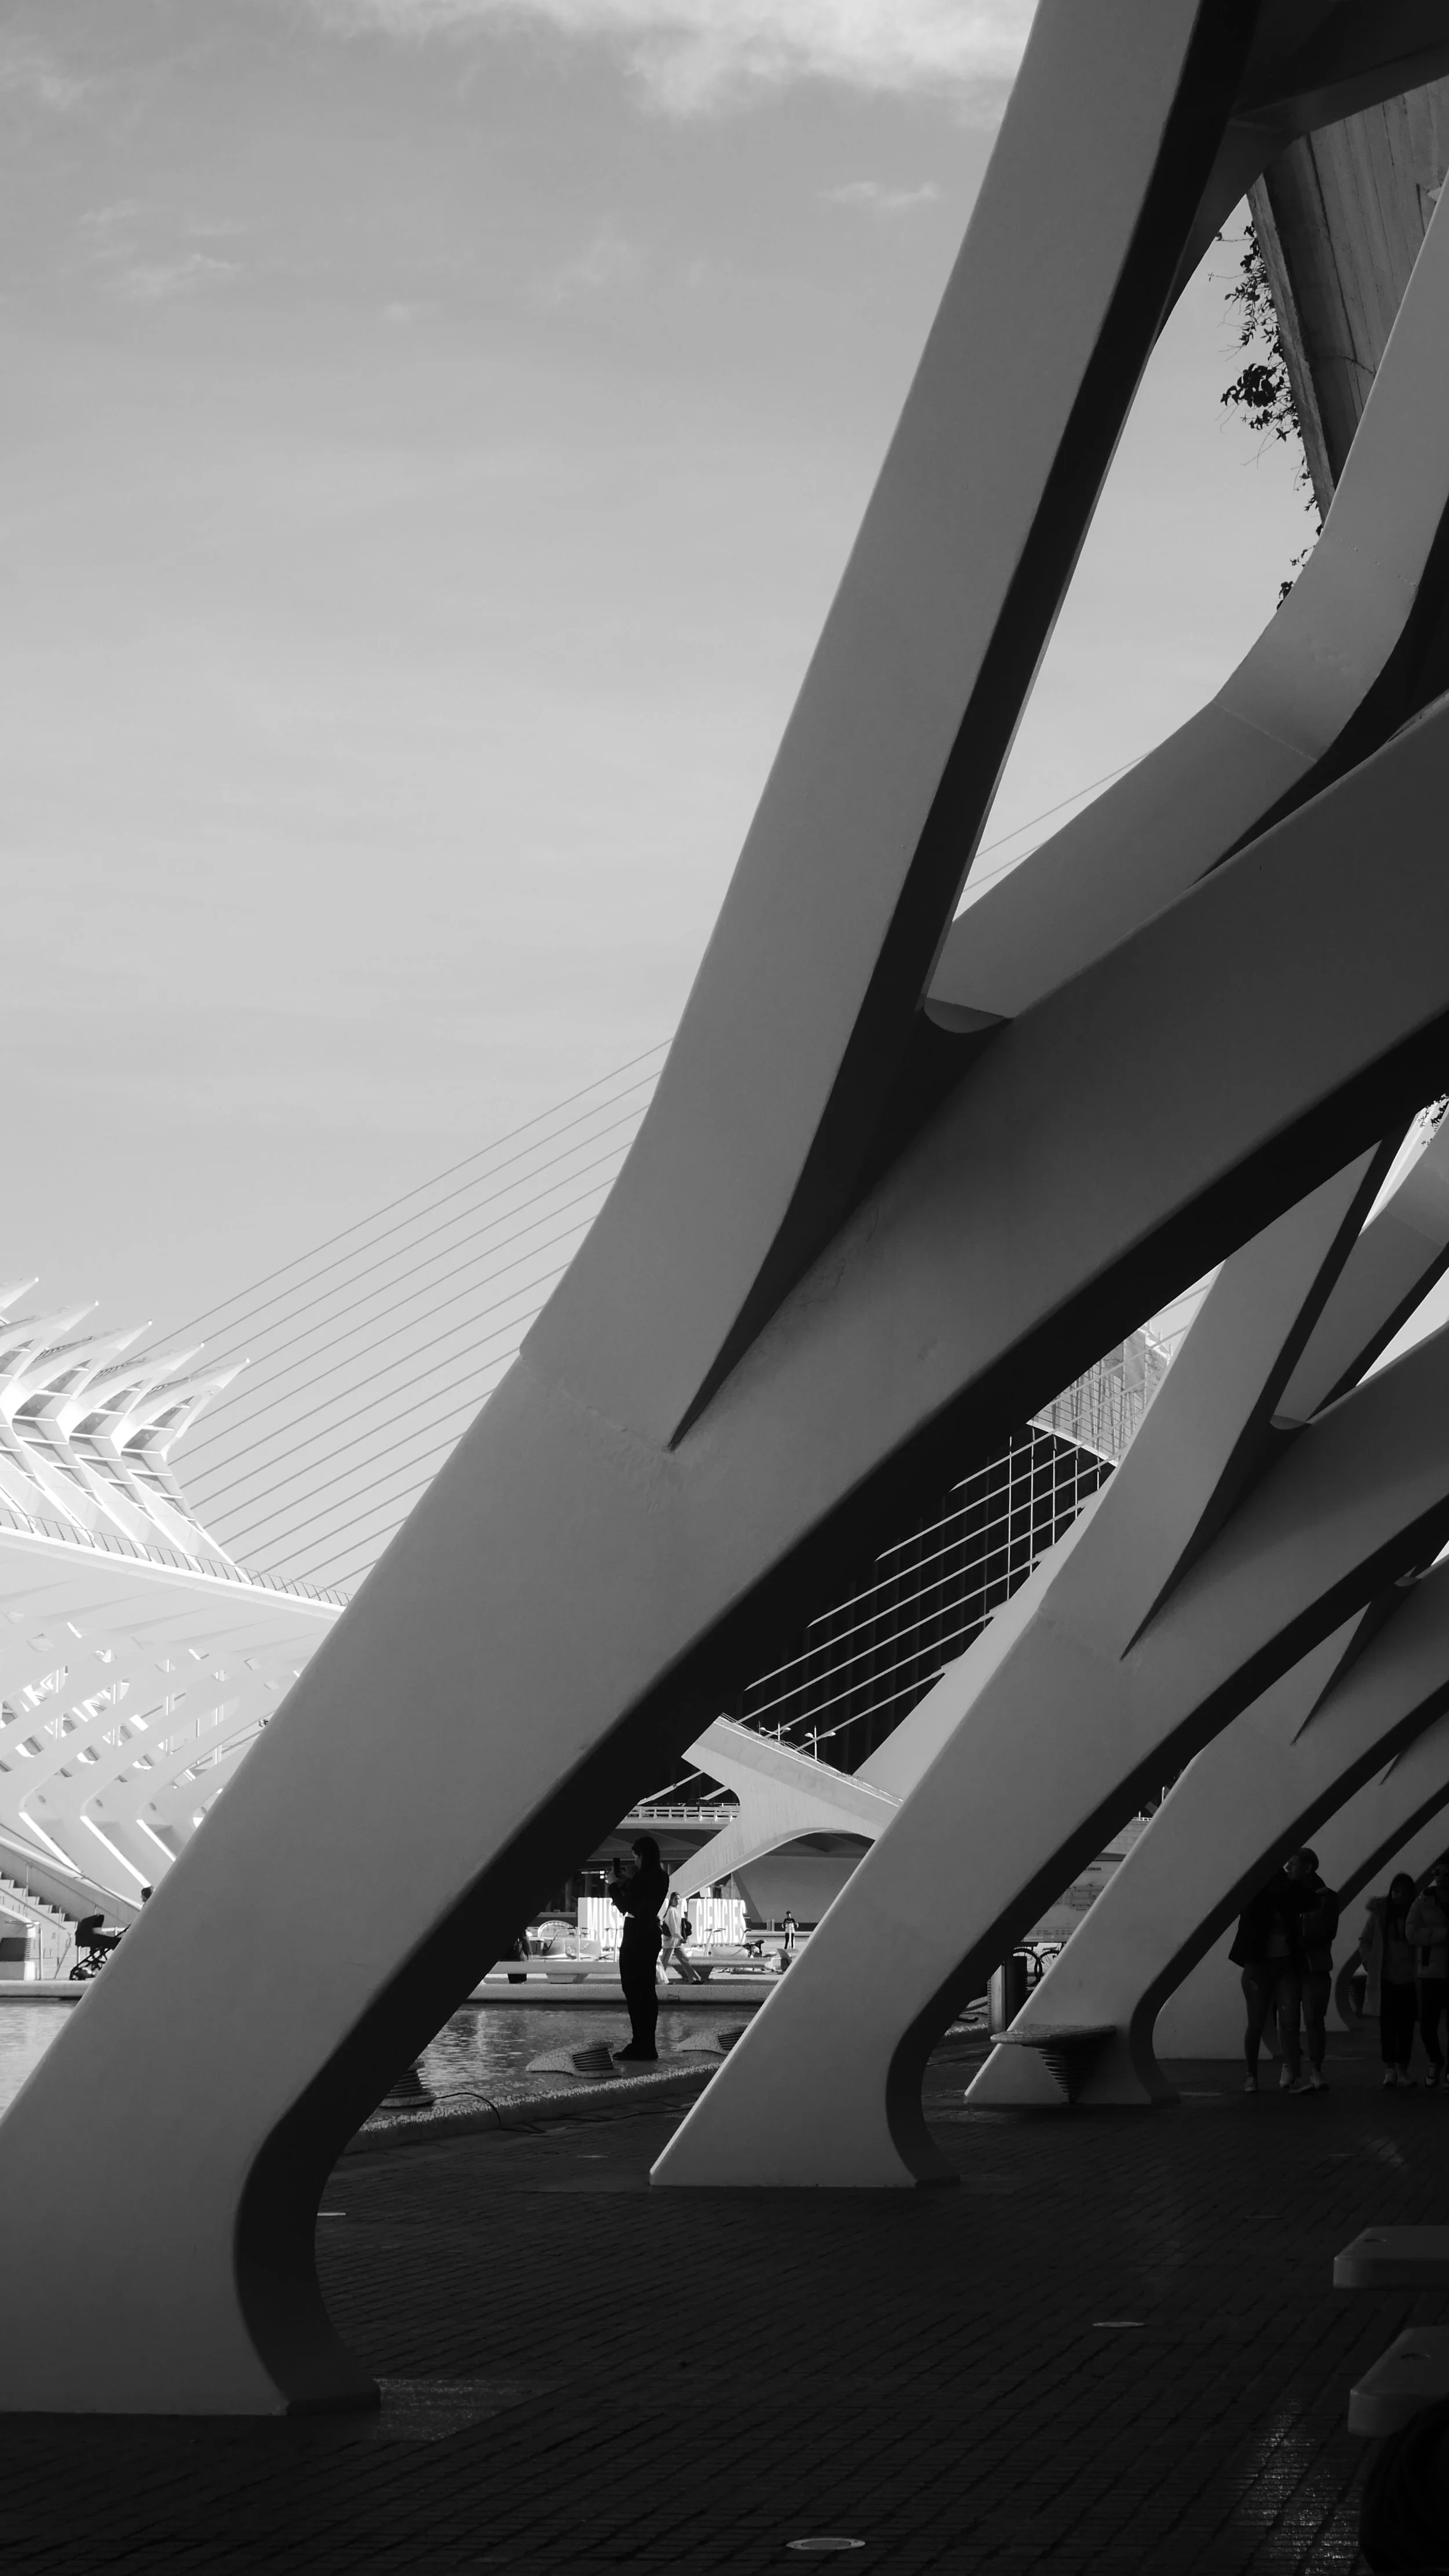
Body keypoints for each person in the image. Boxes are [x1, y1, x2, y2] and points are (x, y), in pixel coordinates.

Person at [1229, 1865, 1303, 2093]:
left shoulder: (1287, 1903)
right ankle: (1253, 2074)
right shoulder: (1255, 1905)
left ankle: (1284, 2071)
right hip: (1262, 1969)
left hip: (1278, 1967)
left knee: (1287, 2022)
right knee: (1258, 2024)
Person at [608, 1834, 669, 2060]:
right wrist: (626, 1882)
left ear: (643, 1855)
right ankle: (648, 2044)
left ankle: (639, 2044)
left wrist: (613, 1886)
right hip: (651, 1935)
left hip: (636, 1936)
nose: (634, 1861)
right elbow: (641, 1898)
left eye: (636, 1856)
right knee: (647, 1991)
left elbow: (626, 1905)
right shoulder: (661, 1878)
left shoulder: (642, 1878)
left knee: (632, 1990)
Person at [1285, 1847, 1338, 2092]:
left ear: (1307, 1867)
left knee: (1313, 2018)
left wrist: (1296, 1942)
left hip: (1313, 1966)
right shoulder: (1285, 1896)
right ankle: (1292, 2066)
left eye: (1292, 1864)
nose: (1288, 1868)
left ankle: (1315, 2069)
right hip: (1292, 1966)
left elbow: (1326, 1932)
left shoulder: (1326, 1897)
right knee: (1289, 2020)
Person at [1359, 1874, 1418, 2085]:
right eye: (1396, 1892)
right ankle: (1391, 2069)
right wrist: (1370, 1962)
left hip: (1410, 1980)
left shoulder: (1417, 1915)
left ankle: (1402, 2069)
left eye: (1404, 1892)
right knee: (1388, 2026)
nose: (1399, 1896)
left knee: (1405, 2027)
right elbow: (1365, 1940)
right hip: (1386, 1980)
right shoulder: (1380, 1915)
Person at [1407, 1858, 1449, 2086]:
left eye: (1446, 1872)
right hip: (1431, 1972)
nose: (1441, 1875)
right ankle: (1435, 2060)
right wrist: (1442, 1934)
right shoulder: (1422, 1902)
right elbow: (1411, 1933)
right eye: (1438, 1871)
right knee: (1427, 2025)